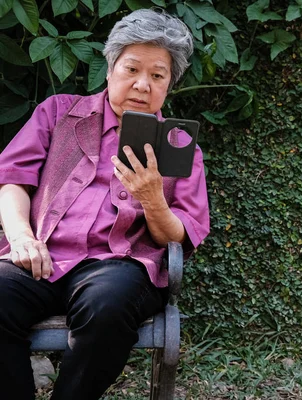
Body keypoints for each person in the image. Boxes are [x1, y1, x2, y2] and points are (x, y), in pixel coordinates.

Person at [0, 8, 209, 400]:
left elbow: (180, 235)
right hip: (42, 254)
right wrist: (21, 237)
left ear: (169, 85)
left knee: (108, 306)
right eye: (131, 69)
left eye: (157, 75)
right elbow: (12, 179)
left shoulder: (179, 145)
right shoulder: (58, 112)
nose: (142, 85)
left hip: (119, 267)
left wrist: (152, 199)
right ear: (111, 68)